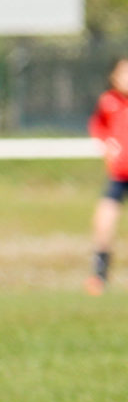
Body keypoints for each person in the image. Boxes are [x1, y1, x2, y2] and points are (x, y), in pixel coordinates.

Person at [87, 57, 128, 294]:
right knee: (105, 219)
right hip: (120, 174)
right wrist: (106, 145)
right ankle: (99, 274)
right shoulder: (109, 102)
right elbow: (98, 127)